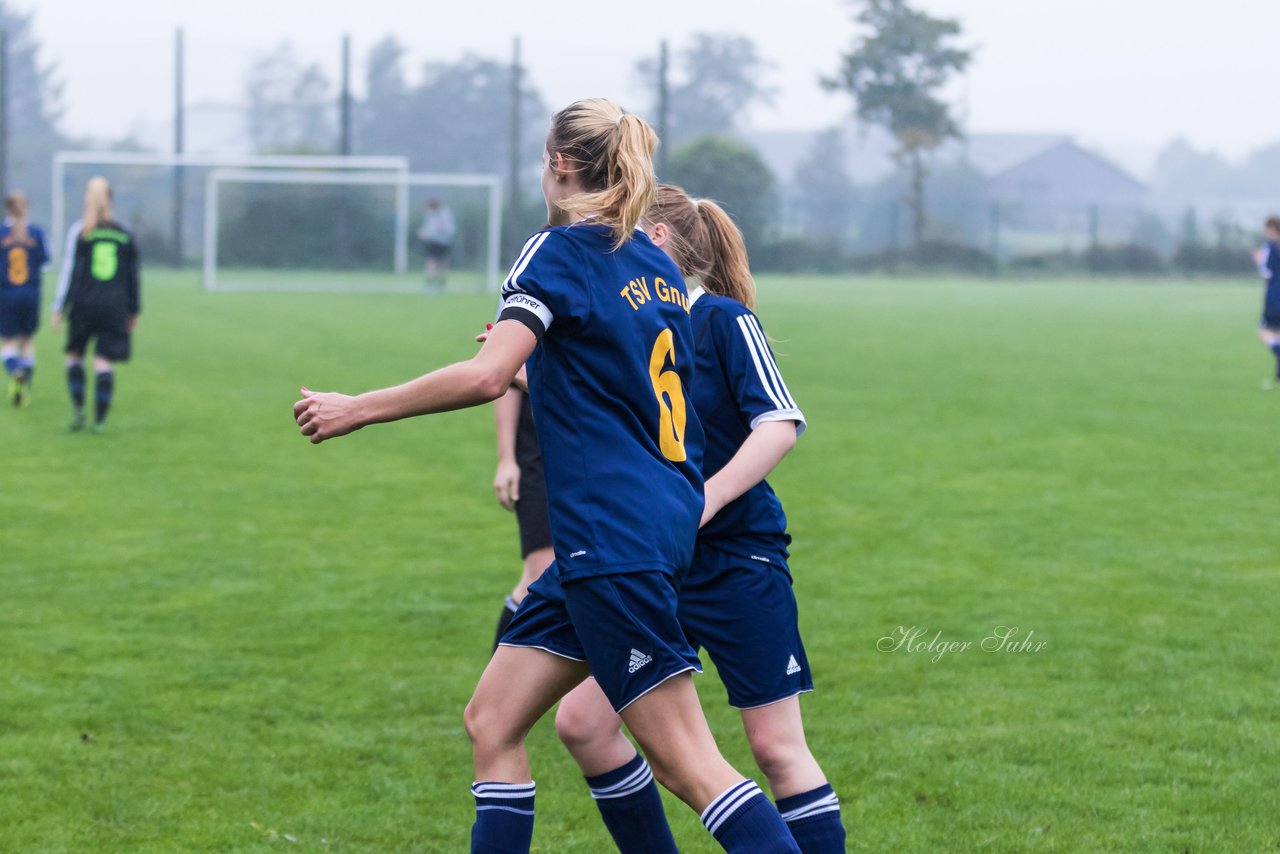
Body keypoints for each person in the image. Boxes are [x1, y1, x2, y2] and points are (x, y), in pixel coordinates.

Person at [294, 98, 799, 854]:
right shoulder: (656, 267)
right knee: (492, 721)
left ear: (559, 165)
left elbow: (487, 376)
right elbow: (632, 390)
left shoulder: (556, 251)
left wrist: (356, 407)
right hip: (648, 528)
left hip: (613, 540)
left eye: (542, 159)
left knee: (693, 766)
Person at [552, 186, 845, 853]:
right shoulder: (633, 326)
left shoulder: (720, 319)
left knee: (775, 747)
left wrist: (703, 500)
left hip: (738, 560)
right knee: (585, 724)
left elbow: (779, 424)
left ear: (656, 240)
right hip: (657, 565)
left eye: (620, 232)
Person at [51, 177, 141, 433]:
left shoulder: (81, 232)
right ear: (111, 203)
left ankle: (79, 410)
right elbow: (132, 276)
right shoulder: (124, 235)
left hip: (84, 305)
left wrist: (60, 307)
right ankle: (99, 421)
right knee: (103, 362)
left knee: (75, 356)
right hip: (115, 306)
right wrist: (133, 309)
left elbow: (71, 273)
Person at [489, 386, 556, 650]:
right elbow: (502, 376)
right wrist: (506, 458)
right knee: (540, 577)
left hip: (592, 451)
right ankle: (499, 690)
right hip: (537, 454)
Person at [0, 192, 50, 406]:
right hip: (31, 294)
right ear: (26, 209)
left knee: (9, 342)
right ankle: (24, 384)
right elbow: (46, 263)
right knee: (27, 341)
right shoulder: (37, 232)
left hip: (7, 294)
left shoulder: (2, 232)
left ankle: (15, 371)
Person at [1254, 216, 1280, 387]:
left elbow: (1266, 273)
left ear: (1272, 228)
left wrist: (1258, 260)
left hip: (1275, 295)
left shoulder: (1270, 247)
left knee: (1263, 331)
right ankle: (1278, 377)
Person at [417, 198, 456, 290]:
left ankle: (440, 285)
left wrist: (430, 232)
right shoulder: (429, 214)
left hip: (443, 242)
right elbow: (427, 228)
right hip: (433, 242)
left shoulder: (445, 214)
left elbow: (450, 229)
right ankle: (430, 285)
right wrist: (424, 233)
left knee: (441, 263)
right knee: (431, 262)